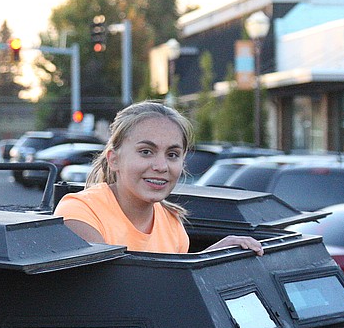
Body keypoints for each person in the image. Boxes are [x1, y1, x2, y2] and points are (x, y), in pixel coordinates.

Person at [55, 101, 262, 255]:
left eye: (172, 155)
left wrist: (213, 257)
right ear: (114, 159)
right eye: (146, 151)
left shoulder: (172, 223)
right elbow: (115, 289)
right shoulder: (80, 212)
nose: (161, 166)